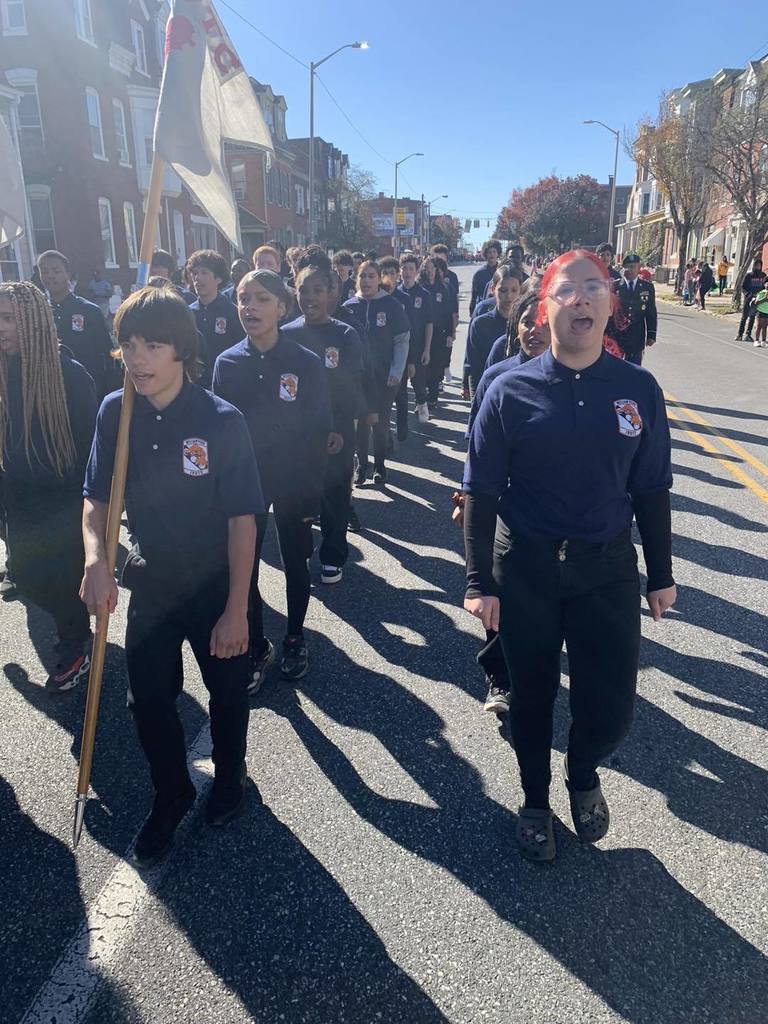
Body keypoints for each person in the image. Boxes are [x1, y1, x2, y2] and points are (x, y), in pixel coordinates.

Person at [463, 249, 676, 862]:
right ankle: (535, 800)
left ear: (610, 306)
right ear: (543, 309)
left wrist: (660, 574)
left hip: (605, 568)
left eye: (593, 288)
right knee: (530, 698)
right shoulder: (508, 389)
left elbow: (651, 487)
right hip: (526, 567)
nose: (580, 298)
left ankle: (582, 773)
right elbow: (480, 490)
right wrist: (479, 581)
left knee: (610, 708)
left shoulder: (637, 389)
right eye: (566, 290)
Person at [82, 286, 262, 867]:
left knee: (227, 694)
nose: (138, 358)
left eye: (152, 345)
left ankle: (230, 774)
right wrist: (95, 559)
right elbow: (96, 500)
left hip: (216, 582)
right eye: (129, 345)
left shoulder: (221, 420)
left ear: (181, 348)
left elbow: (242, 521)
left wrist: (237, 609)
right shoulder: (116, 412)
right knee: (148, 699)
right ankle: (172, 792)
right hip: (153, 578)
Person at [213, 270, 332, 688]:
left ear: (282, 307)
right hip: (245, 482)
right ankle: (257, 641)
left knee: (295, 561)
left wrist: (313, 488)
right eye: (243, 298)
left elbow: (320, 427)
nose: (250, 307)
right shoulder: (227, 363)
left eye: (262, 299)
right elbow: (218, 431)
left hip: (294, 481)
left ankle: (295, 635)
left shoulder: (305, 362)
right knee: (243, 564)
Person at [0, 281, 97, 692]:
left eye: (8, 318)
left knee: (61, 578)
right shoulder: (4, 370)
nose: (0, 327)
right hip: (17, 493)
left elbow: (93, 446)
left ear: (32, 322)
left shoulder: (69, 376)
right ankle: (73, 626)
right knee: (25, 575)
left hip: (62, 497)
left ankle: (77, 645)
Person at [464, 291, 551, 716]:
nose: (535, 329)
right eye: (527, 321)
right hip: (502, 507)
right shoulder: (497, 378)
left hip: (550, 514)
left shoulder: (574, 379)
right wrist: (466, 496)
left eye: (543, 321)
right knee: (499, 592)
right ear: (515, 327)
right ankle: (498, 677)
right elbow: (475, 447)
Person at [282, 251, 364, 584]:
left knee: (334, 496)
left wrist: (341, 429)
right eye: (304, 290)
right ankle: (302, 548)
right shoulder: (285, 334)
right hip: (296, 435)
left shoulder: (344, 335)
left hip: (335, 433)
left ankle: (332, 555)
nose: (310, 297)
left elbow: (351, 388)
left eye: (317, 290)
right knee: (300, 495)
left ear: (330, 293)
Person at [344, 260, 410, 486]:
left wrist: (397, 371)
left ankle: (380, 465)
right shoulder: (348, 307)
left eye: (371, 276)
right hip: (357, 378)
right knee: (361, 423)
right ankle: (362, 465)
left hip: (384, 377)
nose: (367, 281)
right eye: (362, 276)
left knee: (380, 423)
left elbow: (402, 340)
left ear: (379, 278)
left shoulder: (391, 304)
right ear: (357, 279)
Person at [38, 250, 116, 397]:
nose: (50, 276)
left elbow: (108, 354)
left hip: (89, 390)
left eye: (56, 271)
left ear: (68, 274)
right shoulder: (38, 314)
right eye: (45, 272)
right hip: (53, 393)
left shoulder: (89, 310)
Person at [464, 266, 524, 394]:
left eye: (514, 290)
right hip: (489, 393)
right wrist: (476, 399)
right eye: (503, 290)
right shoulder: (480, 325)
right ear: (493, 289)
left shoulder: (527, 326)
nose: (509, 296)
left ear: (521, 291)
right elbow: (474, 368)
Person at [187, 249, 242, 387]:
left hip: (226, 382)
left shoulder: (232, 312)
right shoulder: (187, 313)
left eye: (204, 272)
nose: (197, 278)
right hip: (197, 385)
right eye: (195, 273)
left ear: (219, 278)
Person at [397, 253, 434, 428]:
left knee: (418, 383)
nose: (407, 272)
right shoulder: (395, 294)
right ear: (400, 271)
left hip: (418, 346)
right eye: (404, 268)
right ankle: (402, 422)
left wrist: (427, 349)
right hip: (399, 347)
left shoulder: (423, 294)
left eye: (411, 269)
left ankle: (422, 404)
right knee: (400, 387)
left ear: (417, 271)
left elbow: (429, 323)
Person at [420, 257, 455, 407]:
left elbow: (449, 312)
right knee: (423, 366)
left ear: (436, 270)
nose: (429, 271)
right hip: (422, 333)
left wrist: (450, 333)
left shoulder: (443, 288)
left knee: (435, 366)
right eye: (426, 268)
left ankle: (433, 397)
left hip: (439, 333)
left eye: (432, 268)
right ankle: (423, 395)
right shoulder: (420, 288)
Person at [614, 253, 657, 365]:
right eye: (627, 267)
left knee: (635, 367)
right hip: (618, 335)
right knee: (617, 368)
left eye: (633, 267)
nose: (630, 270)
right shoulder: (615, 286)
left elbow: (651, 312)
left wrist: (651, 334)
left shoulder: (647, 287)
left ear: (639, 268)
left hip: (637, 335)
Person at [735, 257, 766, 342]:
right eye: (756, 265)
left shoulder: (763, 276)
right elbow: (743, 287)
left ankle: (748, 335)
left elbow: (764, 287)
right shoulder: (749, 275)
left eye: (759, 265)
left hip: (758, 300)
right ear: (754, 266)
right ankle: (739, 334)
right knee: (744, 317)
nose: (758, 267)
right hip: (748, 299)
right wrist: (747, 295)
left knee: (752, 317)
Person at [469, 240, 502, 315]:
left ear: (498, 253)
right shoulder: (479, 274)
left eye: (494, 252)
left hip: (500, 309)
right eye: (489, 252)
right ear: (485, 254)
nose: (492, 254)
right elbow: (474, 295)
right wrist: (472, 312)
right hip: (483, 310)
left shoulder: (503, 271)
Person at [750, 282, 768, 347]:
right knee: (758, 326)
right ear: (764, 285)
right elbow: (756, 302)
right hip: (760, 311)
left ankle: (763, 341)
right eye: (767, 284)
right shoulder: (761, 293)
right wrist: (765, 299)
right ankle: (756, 340)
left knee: (765, 327)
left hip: (767, 312)